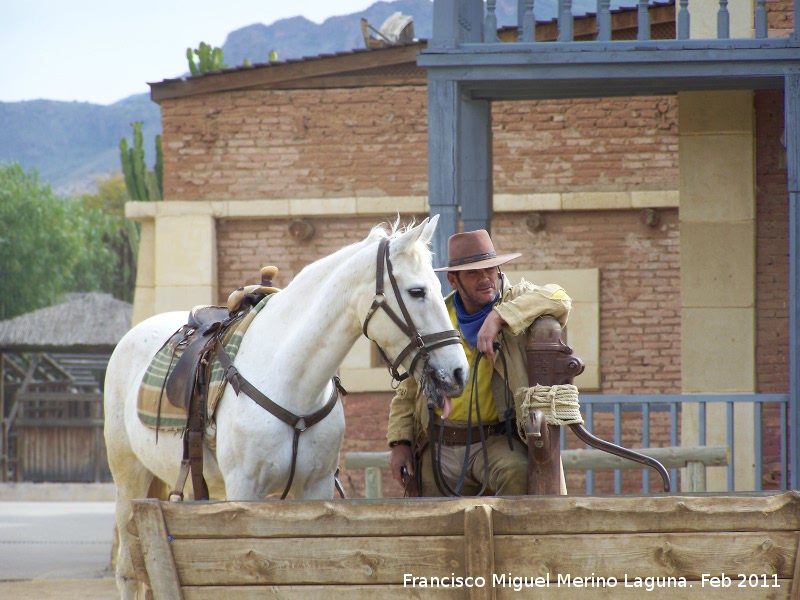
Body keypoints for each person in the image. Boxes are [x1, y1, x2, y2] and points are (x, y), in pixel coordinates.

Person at [386, 229, 571, 496]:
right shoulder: (436, 318)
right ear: (453, 279)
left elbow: (558, 297)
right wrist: (400, 442)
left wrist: (499, 317)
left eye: (491, 270)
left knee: (517, 473)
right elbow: (410, 387)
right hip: (440, 443)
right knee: (425, 520)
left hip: (496, 441)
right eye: (473, 273)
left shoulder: (514, 299)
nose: (485, 278)